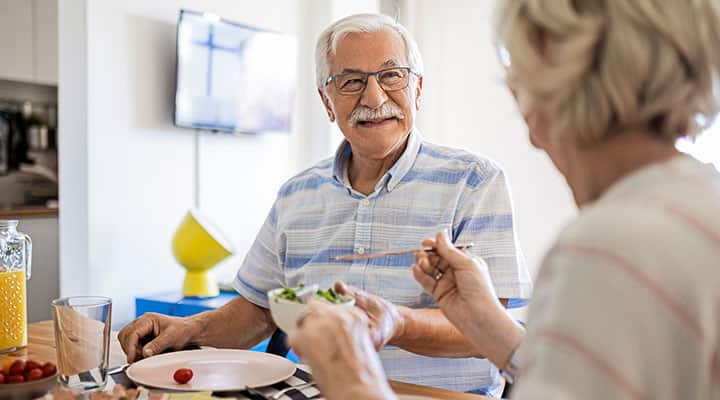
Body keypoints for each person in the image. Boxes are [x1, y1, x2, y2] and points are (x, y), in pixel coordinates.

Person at [288, 0, 720, 399]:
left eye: (518, 67)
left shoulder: (608, 247)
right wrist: (487, 324)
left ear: (545, 92)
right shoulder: (698, 204)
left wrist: (354, 382)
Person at [118, 13, 531, 396]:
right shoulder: (296, 194)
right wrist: (187, 328)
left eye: (391, 75)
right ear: (326, 101)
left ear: (417, 89)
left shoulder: (474, 181)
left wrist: (394, 323)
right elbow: (258, 309)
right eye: (350, 81)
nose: (374, 95)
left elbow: (487, 330)